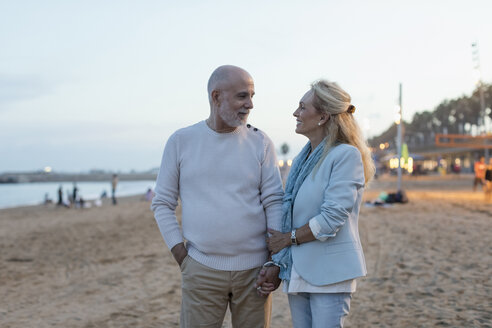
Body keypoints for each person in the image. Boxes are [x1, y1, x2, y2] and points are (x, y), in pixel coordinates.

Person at [151, 65, 283, 327]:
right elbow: (162, 203)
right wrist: (182, 256)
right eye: (242, 96)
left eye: (252, 96)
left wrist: (274, 261)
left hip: (255, 273)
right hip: (201, 269)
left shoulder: (261, 142)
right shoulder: (181, 141)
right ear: (216, 96)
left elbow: (274, 201)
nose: (250, 104)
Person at [263, 80, 375, 327]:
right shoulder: (303, 160)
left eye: (302, 107)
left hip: (330, 272)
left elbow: (332, 218)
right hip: (299, 270)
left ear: (323, 116)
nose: (296, 113)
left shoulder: (345, 155)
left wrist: (288, 238)